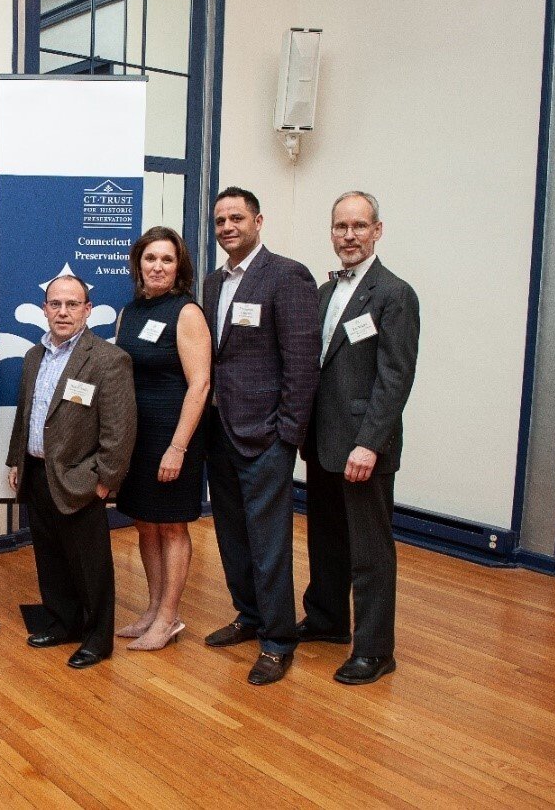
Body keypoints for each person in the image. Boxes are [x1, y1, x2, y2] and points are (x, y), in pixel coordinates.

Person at [300, 191, 419, 685]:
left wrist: (369, 443)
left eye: (358, 226)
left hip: (363, 445)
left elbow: (395, 378)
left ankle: (374, 649)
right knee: (325, 537)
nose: (349, 236)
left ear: (377, 230)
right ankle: (328, 620)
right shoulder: (326, 293)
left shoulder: (395, 294)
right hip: (324, 439)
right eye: (340, 227)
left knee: (370, 550)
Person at [202, 186, 320, 685]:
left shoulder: (287, 276)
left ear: (258, 221)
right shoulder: (211, 283)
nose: (228, 227)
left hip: (266, 435)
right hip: (220, 430)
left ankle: (276, 639)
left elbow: (301, 363)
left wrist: (287, 433)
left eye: (237, 218)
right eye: (221, 221)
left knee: (269, 539)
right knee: (230, 533)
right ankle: (248, 615)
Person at [6, 275, 137, 668]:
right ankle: (63, 622)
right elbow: (27, 415)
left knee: (90, 565)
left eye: (72, 304)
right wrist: (17, 460)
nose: (63, 312)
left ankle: (98, 638)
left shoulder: (108, 359)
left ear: (87, 310)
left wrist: (105, 480)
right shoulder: (34, 356)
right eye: (56, 304)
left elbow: (120, 428)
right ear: (45, 309)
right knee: (50, 557)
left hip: (81, 478)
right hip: (38, 473)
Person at [113, 227, 213, 651]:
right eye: (150, 258)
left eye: (167, 259)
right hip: (137, 437)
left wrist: (178, 446)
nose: (157, 266)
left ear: (179, 267)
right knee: (145, 524)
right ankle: (153, 610)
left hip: (174, 436)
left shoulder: (187, 312)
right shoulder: (129, 312)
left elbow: (201, 384)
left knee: (171, 526)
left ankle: (170, 617)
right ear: (138, 264)